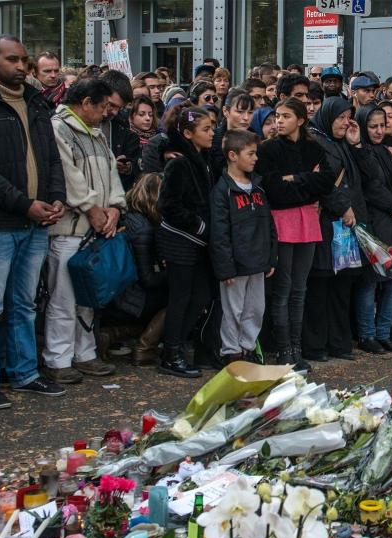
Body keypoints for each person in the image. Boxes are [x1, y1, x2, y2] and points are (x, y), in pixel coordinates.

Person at [0, 34, 66, 410]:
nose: (21, 66)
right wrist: (25, 205)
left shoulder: (37, 103)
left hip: (36, 222)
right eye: (11, 60)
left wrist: (56, 198)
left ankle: (25, 373)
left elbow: (51, 158)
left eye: (24, 59)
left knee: (24, 302)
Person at [45, 78, 125, 382]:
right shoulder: (59, 128)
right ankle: (58, 358)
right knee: (63, 297)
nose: (107, 112)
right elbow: (68, 175)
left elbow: (111, 171)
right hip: (70, 228)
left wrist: (115, 207)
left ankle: (85, 353)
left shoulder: (96, 133)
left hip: (97, 228)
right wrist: (92, 208)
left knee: (88, 296)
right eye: (103, 106)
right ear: (86, 103)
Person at [255, 97, 335, 369]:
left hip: (307, 220)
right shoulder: (267, 150)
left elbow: (326, 182)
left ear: (300, 120)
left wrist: (296, 179)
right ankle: (284, 348)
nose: (279, 121)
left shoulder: (314, 148)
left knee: (300, 287)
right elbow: (273, 189)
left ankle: (296, 347)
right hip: (281, 219)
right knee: (283, 287)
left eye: (286, 116)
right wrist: (305, 182)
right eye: (277, 116)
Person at [155, 106, 215, 377]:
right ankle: (171, 353)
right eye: (206, 129)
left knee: (200, 295)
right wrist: (199, 224)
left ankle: (176, 345)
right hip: (181, 239)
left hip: (200, 240)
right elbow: (168, 204)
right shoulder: (179, 163)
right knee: (181, 297)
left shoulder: (204, 160)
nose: (212, 133)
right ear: (189, 134)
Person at [305, 97, 366, 361]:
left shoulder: (340, 143)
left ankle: (339, 343)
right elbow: (323, 181)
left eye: (348, 117)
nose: (346, 122)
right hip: (326, 225)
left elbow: (361, 176)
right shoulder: (315, 141)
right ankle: (316, 345)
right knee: (319, 288)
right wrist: (343, 206)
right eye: (340, 118)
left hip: (343, 228)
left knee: (341, 287)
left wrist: (355, 143)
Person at [210, 129, 277, 363]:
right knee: (233, 310)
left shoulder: (258, 187)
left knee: (255, 308)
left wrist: (272, 256)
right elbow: (220, 232)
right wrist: (225, 267)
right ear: (233, 155)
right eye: (250, 154)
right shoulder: (223, 190)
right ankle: (231, 352)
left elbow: (269, 224)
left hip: (258, 261)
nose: (255, 158)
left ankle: (248, 348)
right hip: (236, 265)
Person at [354, 104, 392, 353]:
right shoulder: (361, 152)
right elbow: (371, 186)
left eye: (382, 125)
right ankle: (367, 334)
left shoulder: (385, 151)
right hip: (375, 221)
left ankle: (384, 331)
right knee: (371, 282)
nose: (379, 131)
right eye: (373, 126)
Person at [112, 173, 167, 365]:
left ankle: (112, 334)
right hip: (132, 298)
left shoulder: (129, 218)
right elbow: (148, 279)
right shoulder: (144, 229)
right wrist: (173, 274)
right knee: (182, 297)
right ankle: (145, 346)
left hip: (120, 292)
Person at [100, 70, 142, 192]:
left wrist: (128, 167)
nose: (114, 112)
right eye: (111, 105)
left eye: (119, 107)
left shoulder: (121, 126)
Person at [209, 88, 255, 174]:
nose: (246, 118)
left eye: (250, 112)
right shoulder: (212, 139)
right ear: (225, 111)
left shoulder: (256, 140)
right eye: (240, 112)